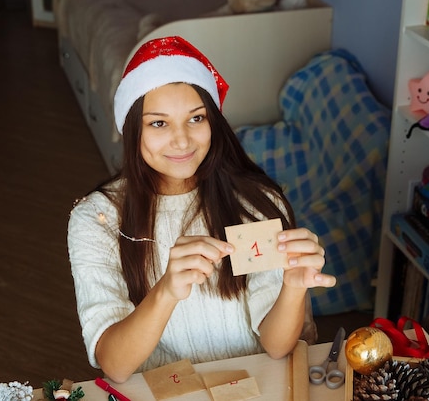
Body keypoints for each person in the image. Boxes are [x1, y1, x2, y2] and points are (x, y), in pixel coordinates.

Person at [67, 36, 337, 383]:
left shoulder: (255, 202)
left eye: (196, 118)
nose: (182, 140)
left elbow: (277, 347)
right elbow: (115, 365)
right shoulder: (97, 219)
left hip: (255, 388)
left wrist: (293, 288)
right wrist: (165, 292)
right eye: (159, 123)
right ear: (133, 129)